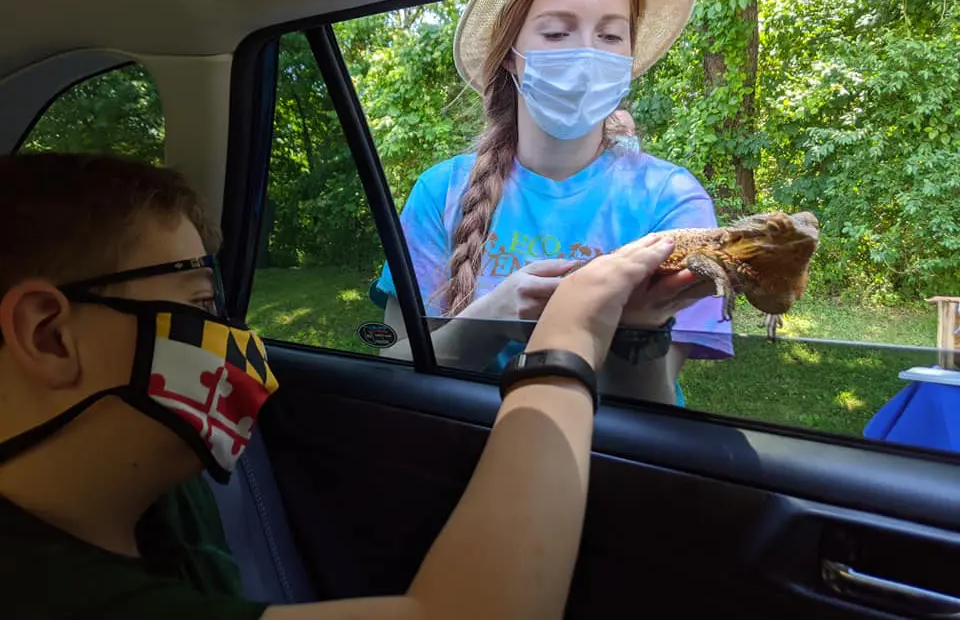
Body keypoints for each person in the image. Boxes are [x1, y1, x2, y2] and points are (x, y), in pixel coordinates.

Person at [0, 151, 709, 619]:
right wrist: (569, 338)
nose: (240, 347)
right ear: (48, 334)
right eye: (196, 309)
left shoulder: (144, 476)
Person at [372, 0, 734, 406]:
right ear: (510, 55)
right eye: (557, 33)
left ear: (628, 57)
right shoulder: (439, 192)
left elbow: (654, 407)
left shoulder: (673, 200)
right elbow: (390, 364)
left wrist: (636, 329)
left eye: (610, 35)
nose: (587, 56)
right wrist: (496, 315)